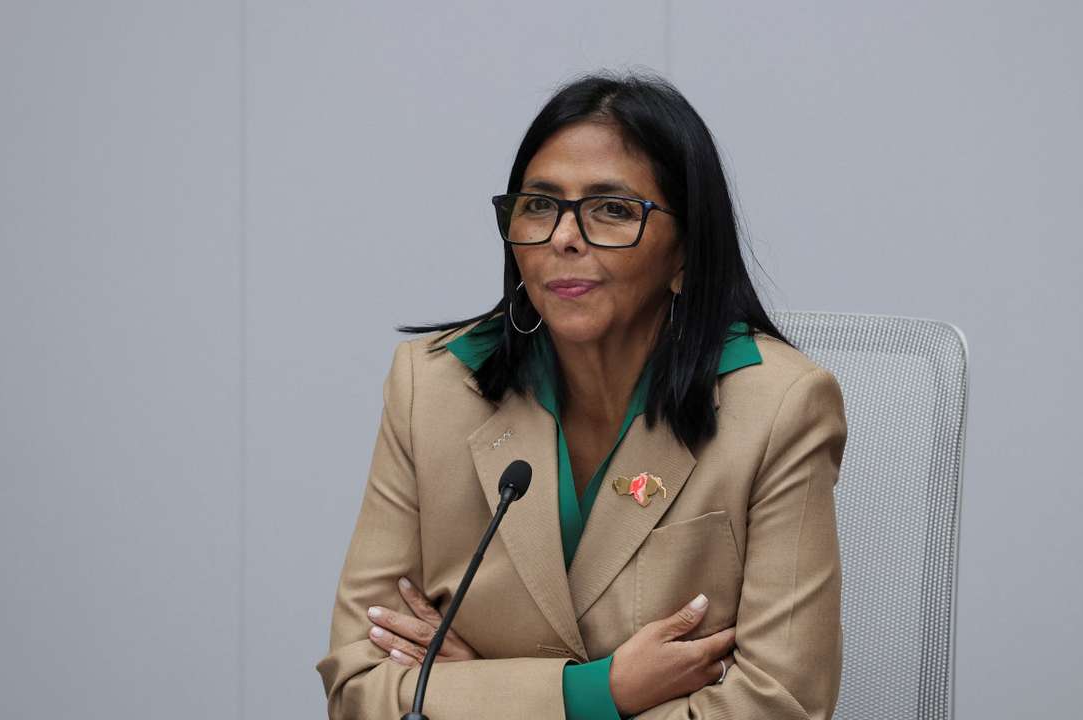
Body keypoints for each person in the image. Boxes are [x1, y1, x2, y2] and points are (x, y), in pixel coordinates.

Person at [315, 70, 848, 719]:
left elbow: (780, 705)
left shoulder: (780, 407)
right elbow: (358, 689)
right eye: (540, 205)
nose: (563, 237)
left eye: (613, 210)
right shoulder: (430, 387)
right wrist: (595, 693)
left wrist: (479, 693)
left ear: (686, 252)